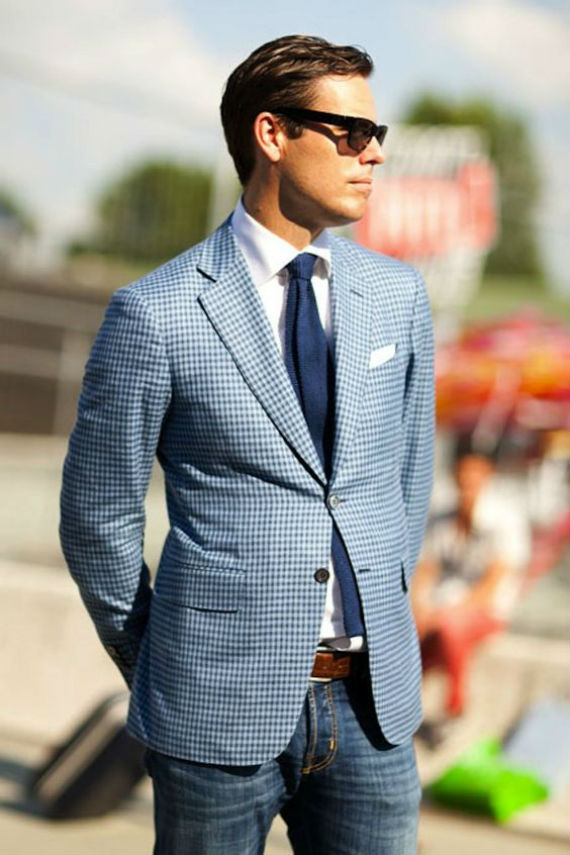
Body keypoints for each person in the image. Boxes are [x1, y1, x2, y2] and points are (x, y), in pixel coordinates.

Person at [60, 34, 435, 855]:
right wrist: (160, 661)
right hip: (211, 707)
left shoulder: (399, 295)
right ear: (272, 134)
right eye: (351, 133)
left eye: (376, 134)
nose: (373, 153)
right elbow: (98, 515)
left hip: (373, 708)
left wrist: (387, 606)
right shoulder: (155, 312)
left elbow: (409, 479)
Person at [412, 442, 518, 722]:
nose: (467, 483)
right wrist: (421, 606)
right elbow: (426, 569)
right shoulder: (443, 518)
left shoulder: (503, 519)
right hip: (443, 604)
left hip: (482, 610)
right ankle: (409, 697)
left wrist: (442, 613)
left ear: (488, 475)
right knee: (412, 629)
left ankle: (456, 702)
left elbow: (492, 584)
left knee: (451, 628)